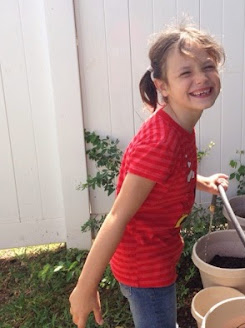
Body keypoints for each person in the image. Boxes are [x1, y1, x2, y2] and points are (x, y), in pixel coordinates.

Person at [69, 22, 229, 328]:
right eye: (186, 72)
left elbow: (168, 176)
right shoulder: (160, 143)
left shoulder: (181, 121)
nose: (201, 78)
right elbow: (117, 217)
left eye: (208, 66)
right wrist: (85, 287)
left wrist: (202, 182)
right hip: (145, 268)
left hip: (158, 252)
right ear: (162, 85)